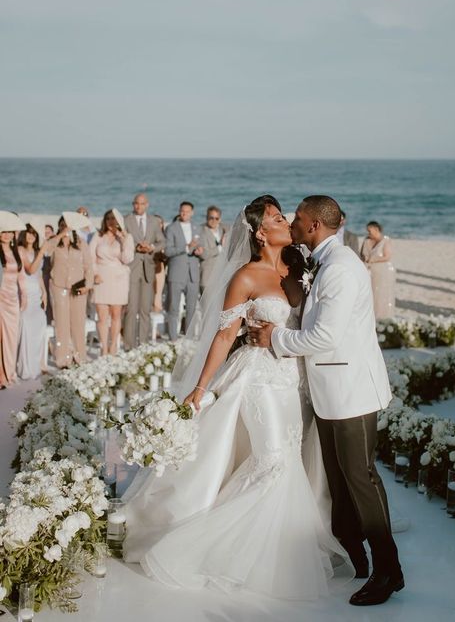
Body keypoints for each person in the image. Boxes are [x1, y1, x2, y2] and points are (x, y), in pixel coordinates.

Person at [123, 195, 353, 600]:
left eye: (287, 217)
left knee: (289, 459)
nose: (287, 222)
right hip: (259, 380)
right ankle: (218, 552)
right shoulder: (245, 277)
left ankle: (275, 547)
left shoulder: (300, 267)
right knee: (273, 463)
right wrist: (199, 387)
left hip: (295, 382)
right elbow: (226, 334)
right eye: (278, 218)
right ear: (261, 232)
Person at [249, 196, 403, 606]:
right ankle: (357, 556)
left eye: (298, 219)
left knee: (360, 480)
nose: (293, 223)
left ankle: (389, 571)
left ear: (315, 225)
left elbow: (324, 338)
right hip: (331, 390)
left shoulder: (341, 268)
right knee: (340, 481)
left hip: (350, 390)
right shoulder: (323, 260)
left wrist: (274, 339)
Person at [35, 212, 93, 368]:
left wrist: (88, 286)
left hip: (78, 287)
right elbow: (46, 251)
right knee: (61, 323)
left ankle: (80, 357)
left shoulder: (81, 243)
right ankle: (63, 359)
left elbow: (89, 266)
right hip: (59, 287)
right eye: (62, 225)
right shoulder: (54, 243)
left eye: (67, 225)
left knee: (77, 323)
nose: (65, 227)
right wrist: (60, 235)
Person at [89, 209, 134, 355]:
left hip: (118, 279)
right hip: (101, 278)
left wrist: (124, 239)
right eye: (108, 219)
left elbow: (127, 259)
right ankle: (104, 347)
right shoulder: (98, 236)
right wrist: (94, 274)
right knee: (102, 316)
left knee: (116, 314)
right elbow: (90, 257)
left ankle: (114, 345)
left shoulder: (127, 238)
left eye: (114, 220)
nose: (111, 223)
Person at [123, 194, 165, 349]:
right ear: (133, 204)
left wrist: (152, 247)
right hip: (132, 268)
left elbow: (162, 241)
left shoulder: (154, 221)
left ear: (147, 205)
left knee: (145, 310)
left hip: (148, 267)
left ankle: (143, 345)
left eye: (141, 204)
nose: (138, 206)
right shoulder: (126, 220)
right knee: (131, 309)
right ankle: (129, 346)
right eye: (135, 203)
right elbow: (122, 240)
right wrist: (136, 247)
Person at [164, 201, 203, 341]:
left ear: (192, 213)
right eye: (182, 211)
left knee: (192, 308)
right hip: (176, 273)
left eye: (187, 211)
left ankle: (189, 338)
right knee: (173, 308)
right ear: (179, 211)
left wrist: (199, 251)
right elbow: (167, 251)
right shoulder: (171, 228)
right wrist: (186, 248)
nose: (184, 213)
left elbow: (201, 248)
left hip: (193, 274)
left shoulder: (197, 228)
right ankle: (173, 339)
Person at [17, 222, 48, 379]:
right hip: (26, 291)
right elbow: (30, 269)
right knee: (27, 326)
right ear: (24, 234)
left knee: (40, 322)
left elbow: (39, 274)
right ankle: (26, 367)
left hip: (37, 291)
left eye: (34, 233)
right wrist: (42, 251)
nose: (31, 236)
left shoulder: (37, 251)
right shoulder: (20, 250)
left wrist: (44, 292)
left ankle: (38, 364)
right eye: (29, 232)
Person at [0, 212, 27, 388]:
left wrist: (24, 295)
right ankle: (1, 376)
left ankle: (9, 372)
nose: (7, 234)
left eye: (10, 232)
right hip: (0, 297)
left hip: (12, 299)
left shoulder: (16, 252)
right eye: (4, 231)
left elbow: (21, 276)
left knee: (11, 337)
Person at [361, 221, 396, 319]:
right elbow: (362, 255)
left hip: (384, 271)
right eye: (367, 231)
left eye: (370, 231)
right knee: (371, 294)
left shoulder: (386, 240)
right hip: (370, 271)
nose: (368, 233)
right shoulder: (366, 240)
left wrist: (374, 259)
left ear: (377, 229)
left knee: (382, 295)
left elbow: (387, 256)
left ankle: (383, 317)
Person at [199, 205, 227, 292]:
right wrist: (219, 246)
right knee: (206, 305)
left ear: (220, 219)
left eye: (216, 218)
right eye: (211, 217)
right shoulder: (200, 230)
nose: (214, 220)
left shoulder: (225, 229)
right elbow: (203, 254)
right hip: (207, 277)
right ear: (206, 217)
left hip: (223, 277)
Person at [152, 214, 167, 313]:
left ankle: (155, 324)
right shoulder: (148, 237)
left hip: (159, 269)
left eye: (159, 223)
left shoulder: (165, 238)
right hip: (149, 268)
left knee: (157, 295)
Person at [42, 224, 55, 324]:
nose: (46, 234)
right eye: (44, 232)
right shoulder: (40, 245)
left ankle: (51, 320)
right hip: (43, 276)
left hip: (52, 277)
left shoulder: (55, 245)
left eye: (48, 232)